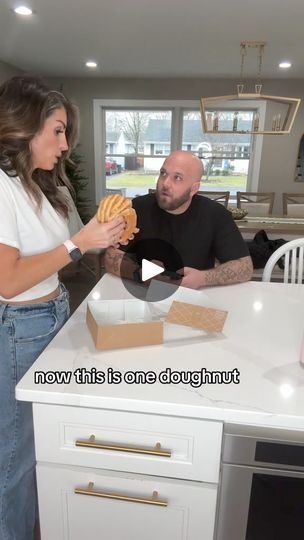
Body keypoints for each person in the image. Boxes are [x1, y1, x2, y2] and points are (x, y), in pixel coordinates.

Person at [0, 75, 125, 540]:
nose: (65, 143)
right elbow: (8, 281)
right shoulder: (2, 188)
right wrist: (79, 242)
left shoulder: (44, 186)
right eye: (56, 129)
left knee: (43, 443)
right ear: (23, 127)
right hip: (17, 328)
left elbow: (71, 252)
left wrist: (103, 237)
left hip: (53, 314)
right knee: (14, 456)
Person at [105, 150, 253, 288]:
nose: (165, 183)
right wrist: (140, 273)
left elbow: (245, 267)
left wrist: (203, 278)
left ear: (194, 189)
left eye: (177, 178)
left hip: (195, 297)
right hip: (142, 292)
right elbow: (111, 257)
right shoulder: (136, 209)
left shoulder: (215, 214)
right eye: (163, 173)